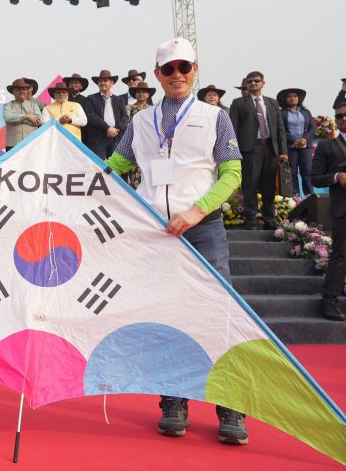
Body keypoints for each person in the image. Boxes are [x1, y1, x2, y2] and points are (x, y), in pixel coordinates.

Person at [104, 36, 247, 446]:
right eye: (169, 69)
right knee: (167, 317)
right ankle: (174, 400)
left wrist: (197, 211)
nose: (177, 75)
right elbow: (115, 166)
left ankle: (231, 404)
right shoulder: (141, 121)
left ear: (195, 71)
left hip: (203, 229)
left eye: (184, 68)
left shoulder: (215, 117)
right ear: (157, 75)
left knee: (219, 316)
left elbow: (232, 175)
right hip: (155, 235)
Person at [229, 71, 288, 230]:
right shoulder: (239, 103)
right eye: (250, 82)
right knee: (250, 186)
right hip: (249, 149)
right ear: (246, 85)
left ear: (263, 83)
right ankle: (251, 220)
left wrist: (283, 151)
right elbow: (232, 129)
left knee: (269, 186)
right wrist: (234, 152)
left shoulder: (272, 103)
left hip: (270, 148)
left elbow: (280, 128)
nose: (253, 83)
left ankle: (269, 220)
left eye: (256, 81)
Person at [311, 103, 346, 320]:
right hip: (343, 208)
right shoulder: (328, 147)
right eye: (339, 115)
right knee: (341, 255)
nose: (343, 118)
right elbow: (315, 178)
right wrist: (336, 177)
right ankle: (330, 299)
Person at [82, 70, 129, 159]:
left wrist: (116, 129)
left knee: (115, 168)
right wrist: (108, 128)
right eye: (100, 81)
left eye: (105, 80)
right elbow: (90, 116)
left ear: (112, 83)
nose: (102, 83)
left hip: (115, 137)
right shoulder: (91, 98)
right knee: (97, 167)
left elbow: (125, 117)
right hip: (98, 139)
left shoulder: (119, 100)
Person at [278, 88, 316, 197]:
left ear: (298, 98)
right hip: (290, 147)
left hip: (305, 147)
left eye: (294, 96)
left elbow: (312, 128)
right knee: (292, 172)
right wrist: (295, 140)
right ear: (285, 99)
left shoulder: (306, 112)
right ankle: (295, 198)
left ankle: (310, 196)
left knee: (307, 171)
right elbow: (280, 130)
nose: (292, 98)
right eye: (289, 96)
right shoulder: (282, 113)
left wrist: (304, 139)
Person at [122, 81, 156, 188]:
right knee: (134, 171)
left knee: (149, 171)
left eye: (144, 92)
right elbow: (126, 124)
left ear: (148, 94)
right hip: (134, 142)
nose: (141, 94)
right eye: (139, 92)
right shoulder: (129, 108)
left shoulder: (153, 108)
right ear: (135, 94)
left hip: (150, 143)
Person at [3, 78, 42, 151]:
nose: (21, 91)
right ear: (13, 92)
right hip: (13, 144)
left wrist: (20, 120)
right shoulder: (8, 105)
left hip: (31, 143)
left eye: (24, 89)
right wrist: (27, 117)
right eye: (18, 89)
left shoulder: (34, 105)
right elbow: (8, 117)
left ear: (27, 91)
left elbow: (39, 121)